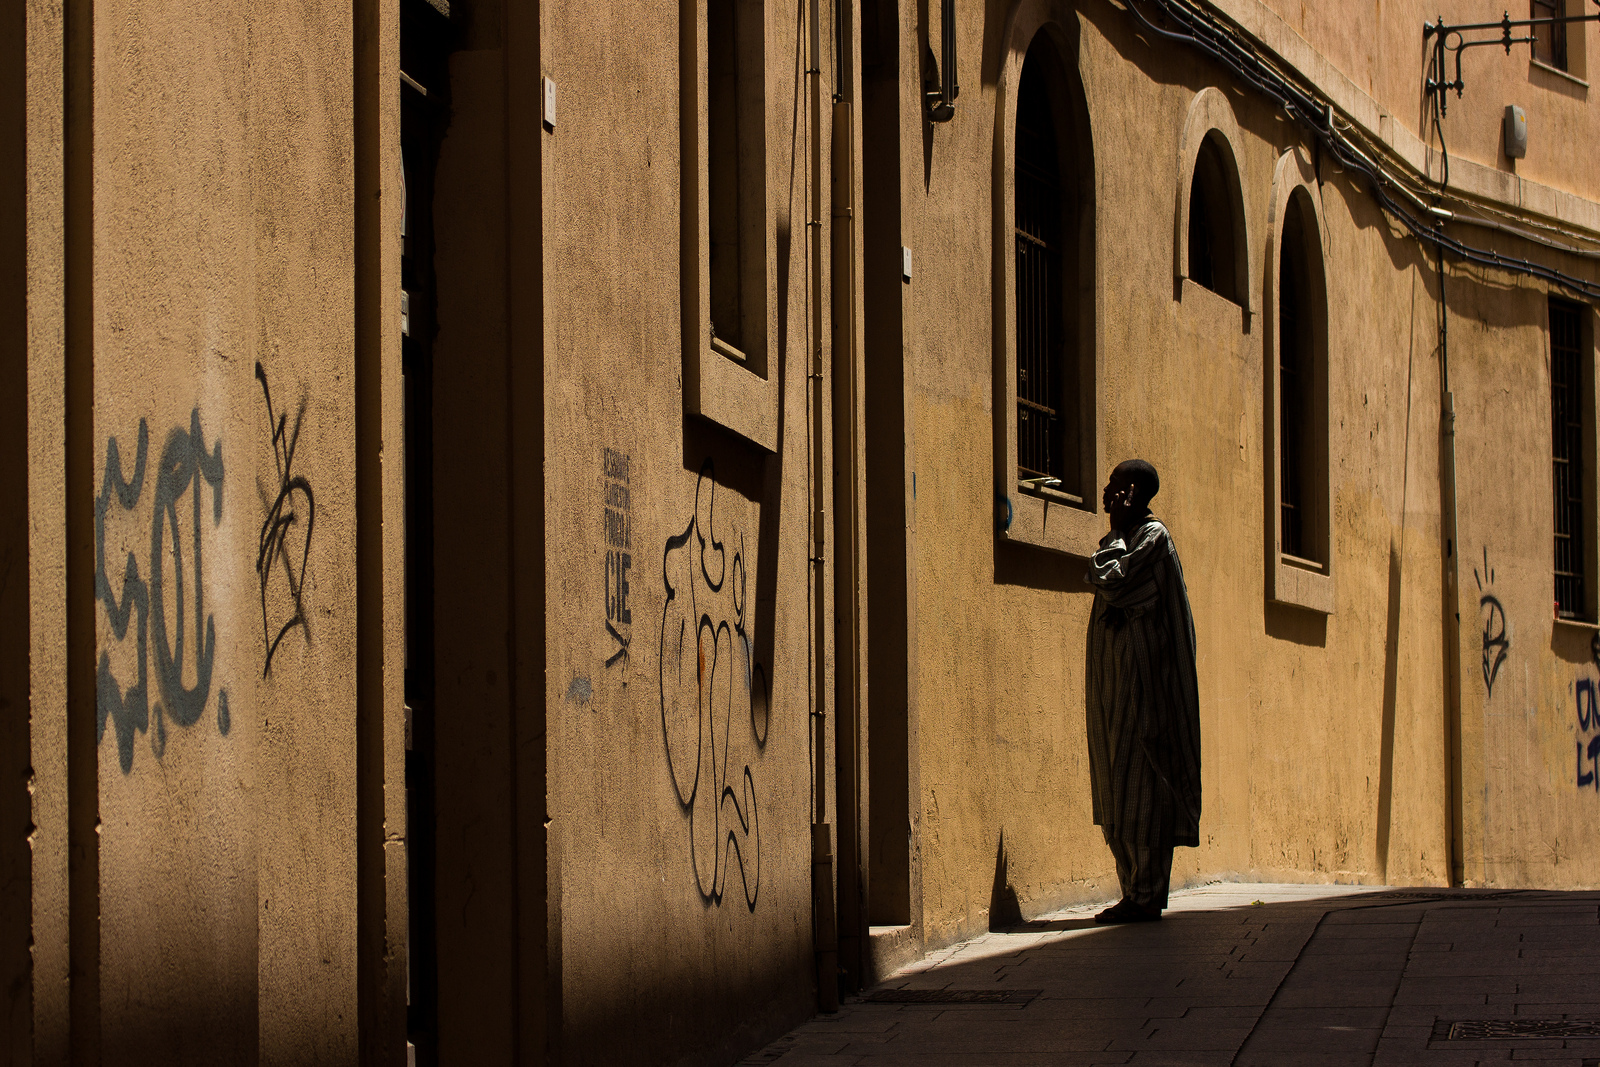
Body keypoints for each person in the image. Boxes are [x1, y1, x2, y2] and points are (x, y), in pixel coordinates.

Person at [1083, 460, 1201, 923]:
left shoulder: (1152, 539)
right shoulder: (1119, 543)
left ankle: (1147, 892)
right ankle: (1132, 887)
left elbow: (1113, 582)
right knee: (1116, 779)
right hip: (1115, 690)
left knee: (1144, 784)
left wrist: (1108, 547)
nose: (1107, 494)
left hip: (1147, 691)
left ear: (1133, 492)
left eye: (1114, 487)